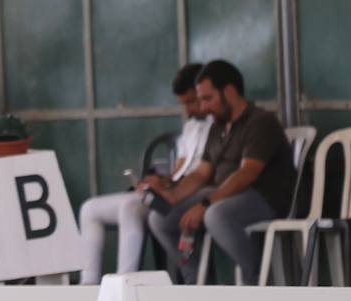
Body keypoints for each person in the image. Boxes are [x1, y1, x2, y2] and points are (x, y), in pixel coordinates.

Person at [146, 59, 296, 283]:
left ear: (230, 91)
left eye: (208, 98)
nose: (203, 107)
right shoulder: (218, 127)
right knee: (160, 217)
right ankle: (196, 281)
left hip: (263, 197)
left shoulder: (260, 121)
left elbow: (247, 174)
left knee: (216, 215)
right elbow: (201, 174)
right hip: (222, 195)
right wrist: (172, 196)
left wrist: (205, 204)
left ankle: (256, 281)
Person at [76, 63, 212, 284]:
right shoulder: (191, 127)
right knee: (89, 209)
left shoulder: (216, 127)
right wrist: (161, 181)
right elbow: (179, 170)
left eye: (192, 102)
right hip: (172, 190)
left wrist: (171, 188)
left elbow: (203, 174)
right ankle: (88, 284)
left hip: (188, 194)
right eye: (185, 104)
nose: (189, 109)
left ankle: (124, 283)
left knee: (129, 208)